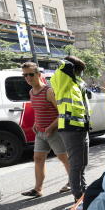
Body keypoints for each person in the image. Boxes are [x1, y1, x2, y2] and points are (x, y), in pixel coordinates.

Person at [20, 62, 71, 198]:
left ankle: (73, 182)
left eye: (31, 74)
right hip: (40, 133)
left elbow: (62, 113)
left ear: (38, 74)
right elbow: (38, 110)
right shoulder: (31, 92)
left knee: (64, 158)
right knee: (38, 158)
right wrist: (36, 123)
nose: (28, 77)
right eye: (25, 75)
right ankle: (37, 189)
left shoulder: (48, 91)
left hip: (54, 132)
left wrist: (51, 127)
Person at [51, 56, 90, 203]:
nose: (80, 73)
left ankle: (83, 191)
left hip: (82, 126)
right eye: (79, 70)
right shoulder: (62, 78)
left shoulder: (76, 82)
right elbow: (62, 67)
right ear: (72, 68)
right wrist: (67, 63)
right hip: (70, 127)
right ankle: (78, 195)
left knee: (83, 163)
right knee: (76, 164)